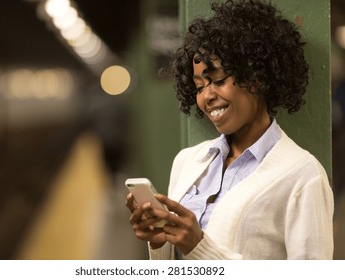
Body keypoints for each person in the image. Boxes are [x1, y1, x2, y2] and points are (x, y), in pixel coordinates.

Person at [126, 0, 334, 259]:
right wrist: (160, 243)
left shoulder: (303, 175)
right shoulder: (188, 162)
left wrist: (198, 247)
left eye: (219, 81)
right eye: (200, 86)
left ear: (256, 77)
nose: (206, 97)